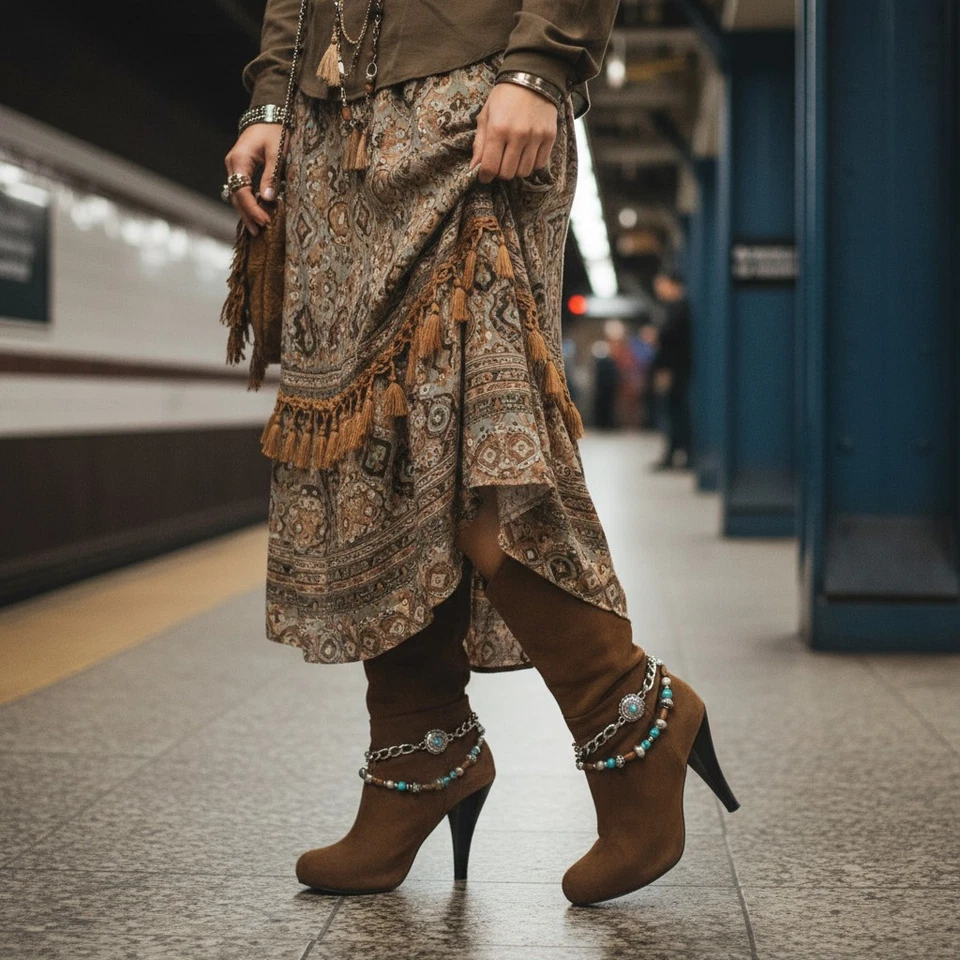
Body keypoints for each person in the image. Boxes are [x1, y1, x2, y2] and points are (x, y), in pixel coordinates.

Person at [223, 0, 738, 907]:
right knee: (372, 457)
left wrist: (543, 59)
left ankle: (633, 723)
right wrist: (271, 100)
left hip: (477, 106)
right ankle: (420, 754)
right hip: (331, 128)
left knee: (482, 458)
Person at [651, 268, 692, 469]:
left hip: (673, 369)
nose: (658, 289)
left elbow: (671, 340)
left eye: (661, 284)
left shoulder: (679, 310)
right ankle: (675, 454)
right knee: (673, 412)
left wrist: (656, 337)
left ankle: (678, 455)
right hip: (672, 368)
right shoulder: (675, 309)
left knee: (675, 413)